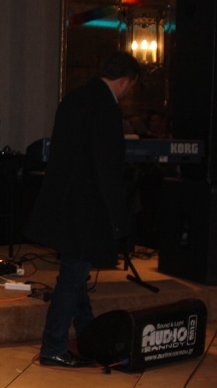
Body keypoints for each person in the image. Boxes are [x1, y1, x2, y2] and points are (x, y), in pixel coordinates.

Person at [24, 51, 141, 368]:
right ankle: (53, 346)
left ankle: (88, 334)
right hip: (85, 209)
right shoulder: (106, 108)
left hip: (63, 203)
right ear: (125, 81)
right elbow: (107, 169)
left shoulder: (75, 98)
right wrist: (119, 220)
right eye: (130, 87)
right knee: (73, 277)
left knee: (74, 274)